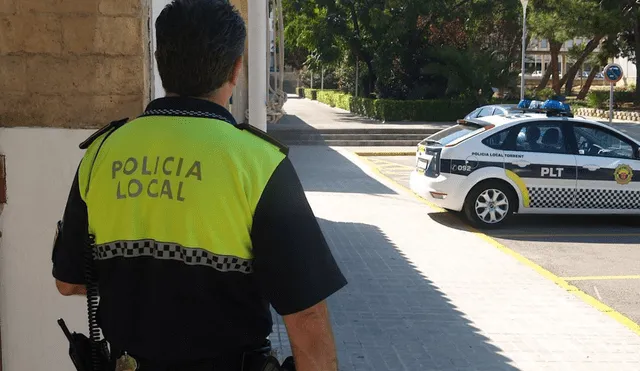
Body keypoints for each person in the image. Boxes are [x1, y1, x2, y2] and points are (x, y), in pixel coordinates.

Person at [50, 0, 347, 370]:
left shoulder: (102, 153)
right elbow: (306, 319)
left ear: (159, 60)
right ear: (236, 68)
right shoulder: (260, 164)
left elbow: (69, 282)